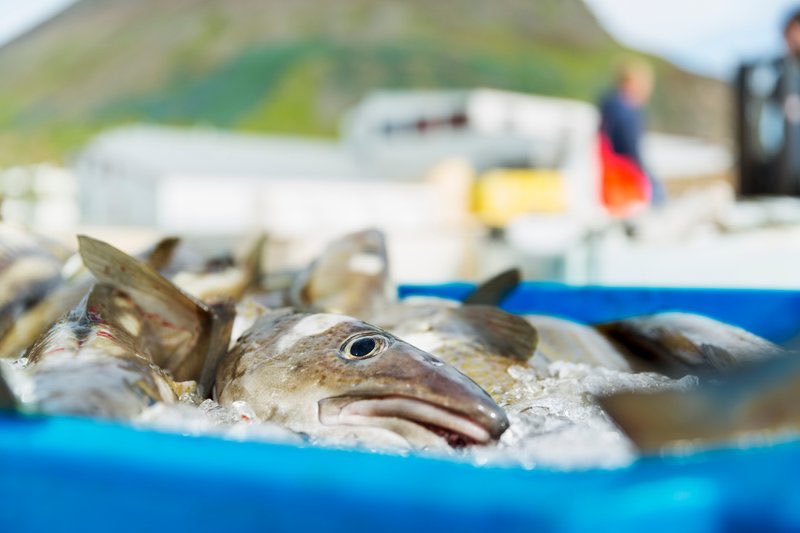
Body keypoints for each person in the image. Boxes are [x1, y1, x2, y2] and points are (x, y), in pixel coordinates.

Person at [598, 60, 665, 208]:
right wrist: (651, 178)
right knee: (658, 193)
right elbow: (632, 152)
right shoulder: (625, 111)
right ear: (632, 83)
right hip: (622, 181)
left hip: (609, 179)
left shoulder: (609, 104)